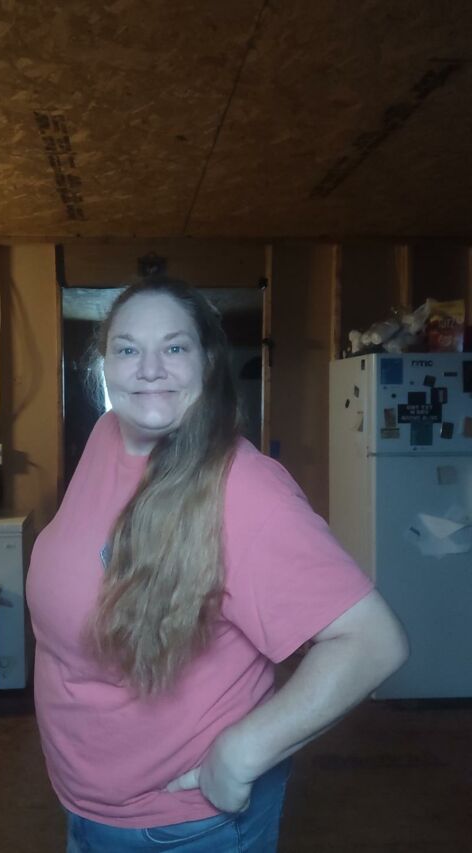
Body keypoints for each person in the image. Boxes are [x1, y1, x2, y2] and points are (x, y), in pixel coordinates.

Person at [26, 277, 409, 853]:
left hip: (178, 827)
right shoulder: (108, 436)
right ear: (104, 364)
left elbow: (372, 641)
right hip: (88, 806)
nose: (148, 369)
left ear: (207, 361)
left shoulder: (244, 490)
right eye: (127, 349)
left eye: (174, 347)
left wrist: (242, 752)